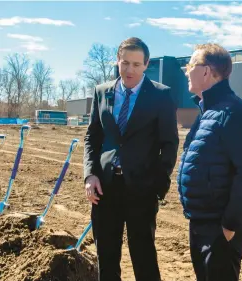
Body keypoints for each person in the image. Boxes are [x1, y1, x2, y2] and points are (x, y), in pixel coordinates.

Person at [83, 37, 179, 281]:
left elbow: (169, 144)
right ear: (117, 61)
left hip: (141, 190)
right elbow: (92, 138)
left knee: (144, 258)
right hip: (104, 188)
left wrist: (157, 185)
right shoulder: (102, 92)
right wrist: (90, 174)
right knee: (106, 257)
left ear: (146, 64)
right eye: (125, 63)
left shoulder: (161, 95)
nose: (129, 70)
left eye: (136, 64)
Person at [177, 43, 242, 281]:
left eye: (190, 65)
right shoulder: (209, 111)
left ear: (206, 71)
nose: (186, 71)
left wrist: (228, 227)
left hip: (219, 226)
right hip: (202, 221)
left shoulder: (234, 113)